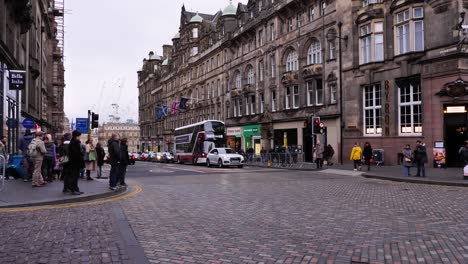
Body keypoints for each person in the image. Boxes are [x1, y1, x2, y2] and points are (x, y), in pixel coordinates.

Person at [67, 130, 84, 195]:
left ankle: (76, 189)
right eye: (79, 136)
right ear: (77, 136)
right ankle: (73, 190)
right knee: (74, 176)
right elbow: (76, 153)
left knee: (76, 176)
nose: (80, 137)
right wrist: (81, 155)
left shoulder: (73, 142)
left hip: (74, 162)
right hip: (75, 162)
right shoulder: (75, 143)